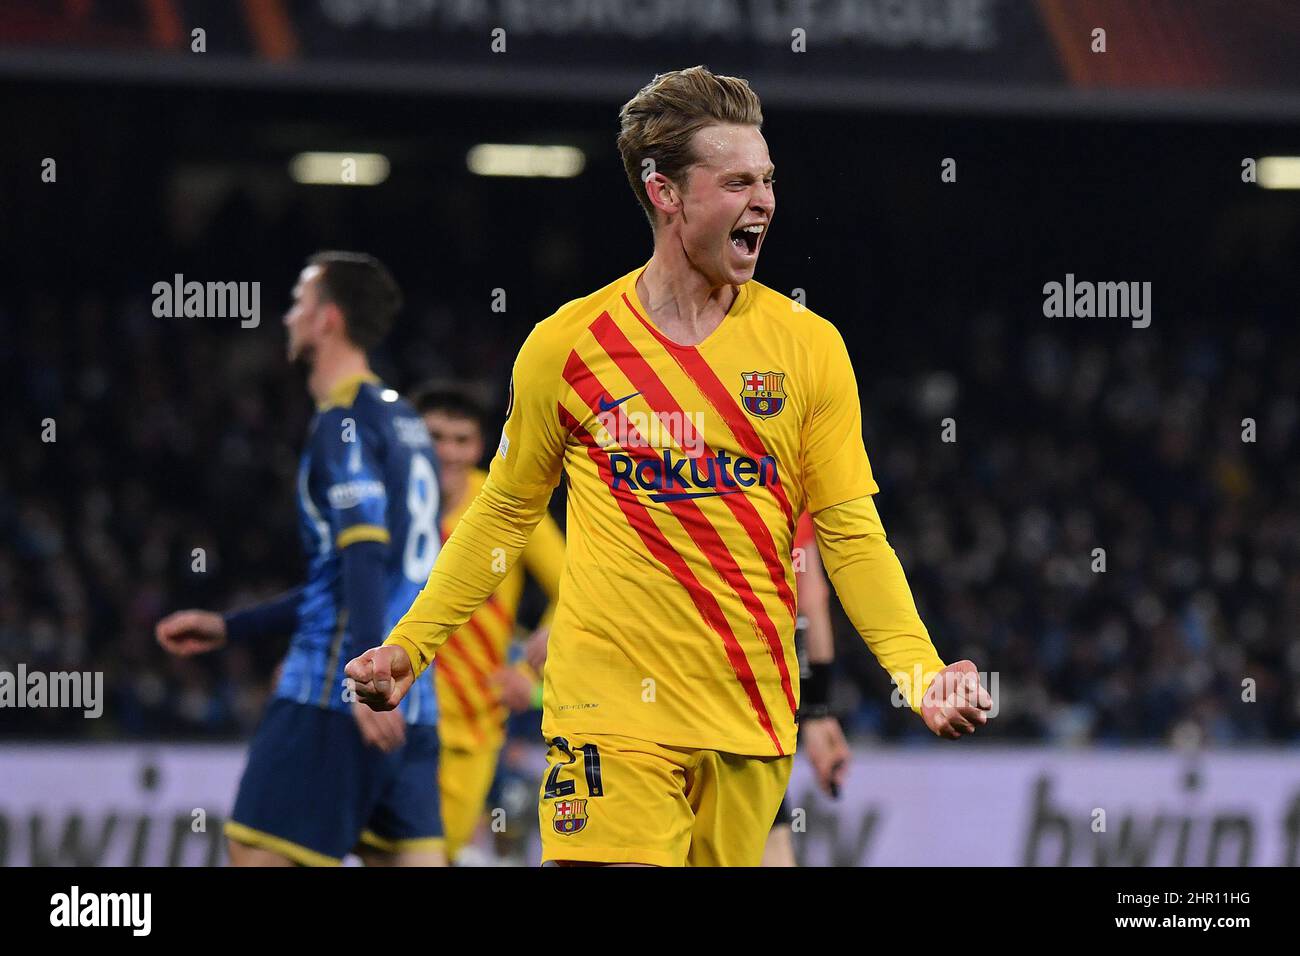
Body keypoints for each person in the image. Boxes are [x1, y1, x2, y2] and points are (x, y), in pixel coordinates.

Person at [347, 66, 993, 867]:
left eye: (768, 180)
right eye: (737, 182)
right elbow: (504, 515)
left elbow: (851, 537)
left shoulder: (808, 348)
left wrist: (921, 674)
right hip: (607, 714)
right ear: (666, 193)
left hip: (750, 715)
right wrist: (412, 647)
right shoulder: (566, 345)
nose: (764, 200)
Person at [156, 252, 446, 866]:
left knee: (255, 851)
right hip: (414, 700)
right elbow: (358, 574)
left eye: (297, 301)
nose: (287, 316)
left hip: (334, 697)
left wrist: (365, 685)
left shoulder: (342, 424)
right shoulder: (406, 424)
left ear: (327, 321)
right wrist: (233, 628)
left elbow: (365, 555)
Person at [412, 385, 563, 862]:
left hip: (470, 722)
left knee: (435, 853)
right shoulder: (387, 501)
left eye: (461, 440)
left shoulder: (504, 505)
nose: (447, 452)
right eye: (435, 436)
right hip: (391, 714)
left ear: (480, 447)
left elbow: (573, 585)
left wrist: (528, 671)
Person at [761, 512, 849, 867]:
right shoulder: (782, 472)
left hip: (647, 714)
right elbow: (810, 600)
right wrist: (816, 711)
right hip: (747, 715)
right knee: (773, 848)